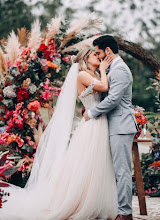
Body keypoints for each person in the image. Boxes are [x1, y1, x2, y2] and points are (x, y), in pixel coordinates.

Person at [0, 48, 118, 220]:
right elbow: (104, 87)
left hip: (98, 121)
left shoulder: (94, 74)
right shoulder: (82, 75)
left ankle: (93, 203)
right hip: (92, 124)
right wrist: (103, 70)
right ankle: (80, 204)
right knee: (88, 164)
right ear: (86, 58)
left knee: (96, 164)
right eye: (94, 55)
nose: (98, 57)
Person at [84, 35, 138, 220]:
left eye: (98, 52)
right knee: (116, 169)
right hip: (115, 125)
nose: (98, 56)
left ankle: (125, 213)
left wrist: (91, 113)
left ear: (108, 51)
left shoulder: (120, 70)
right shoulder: (112, 69)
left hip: (121, 125)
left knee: (122, 170)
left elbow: (114, 100)